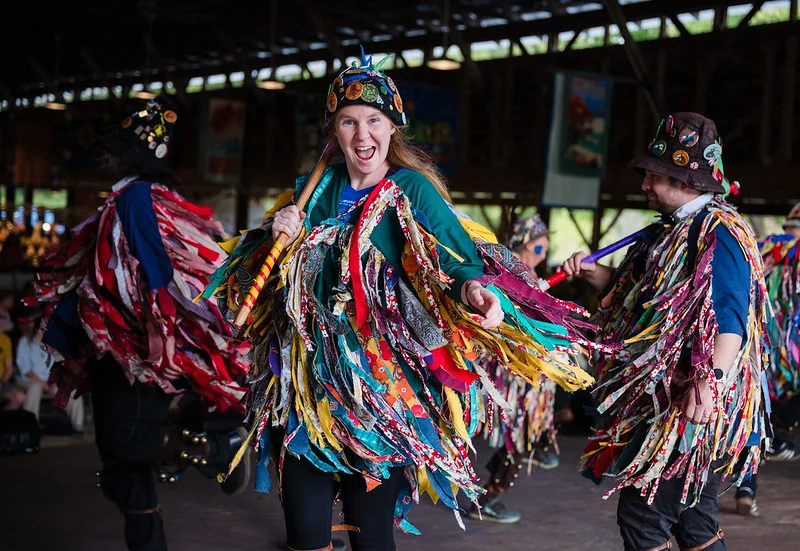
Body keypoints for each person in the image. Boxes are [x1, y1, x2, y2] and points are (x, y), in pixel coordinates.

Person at [204, 49, 597, 551]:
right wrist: (274, 233)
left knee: (372, 537)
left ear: (393, 128)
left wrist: (475, 291)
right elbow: (270, 279)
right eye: (348, 122)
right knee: (304, 534)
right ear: (334, 132)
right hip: (311, 387)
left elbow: (457, 260)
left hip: (381, 390)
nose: (361, 134)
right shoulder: (311, 191)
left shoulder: (410, 189)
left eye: (373, 120)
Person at [24, 96, 252, 551]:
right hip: (110, 343)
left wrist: (163, 341)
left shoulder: (137, 197)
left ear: (127, 155)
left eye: (115, 149)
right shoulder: (127, 196)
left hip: (137, 349)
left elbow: (158, 272)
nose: (106, 157)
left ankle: (217, 449)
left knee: (128, 441)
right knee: (117, 462)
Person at [561, 112, 770, 551]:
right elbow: (639, 297)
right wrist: (594, 274)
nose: (645, 186)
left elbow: (731, 318)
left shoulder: (719, 233)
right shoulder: (668, 232)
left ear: (686, 181)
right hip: (673, 399)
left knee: (642, 519)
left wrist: (708, 383)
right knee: (693, 524)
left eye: (654, 177)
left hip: (691, 404)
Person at [468, 214, 561, 524]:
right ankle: (489, 497)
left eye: (545, 250)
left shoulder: (527, 275)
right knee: (518, 435)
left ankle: (490, 493)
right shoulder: (509, 275)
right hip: (512, 373)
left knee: (520, 434)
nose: (543, 255)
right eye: (538, 249)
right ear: (524, 246)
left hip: (527, 373)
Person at [734, 202, 800, 516]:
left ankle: (746, 487)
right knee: (766, 417)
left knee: (756, 415)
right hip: (789, 353)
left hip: (761, 348)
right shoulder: (788, 252)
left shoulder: (761, 250)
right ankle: (783, 438)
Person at [15, 321, 84, 436]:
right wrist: (43, 384)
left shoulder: (52, 344)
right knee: (35, 387)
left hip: (47, 382)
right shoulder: (25, 342)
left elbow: (60, 364)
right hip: (27, 381)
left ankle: (77, 427)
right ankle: (31, 428)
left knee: (71, 390)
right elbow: (26, 370)